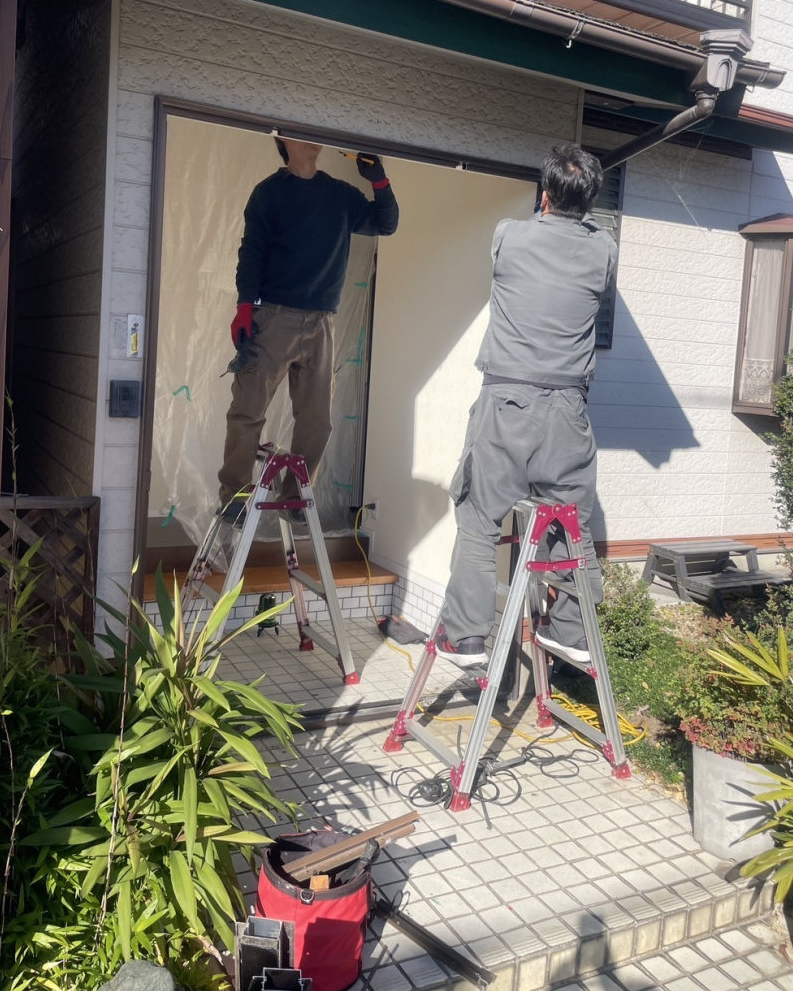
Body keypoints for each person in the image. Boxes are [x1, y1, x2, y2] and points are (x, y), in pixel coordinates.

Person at [437, 144, 616, 668]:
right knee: (568, 522)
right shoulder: (604, 248)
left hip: (507, 402)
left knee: (479, 519)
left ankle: (466, 636)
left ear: (544, 195)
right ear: (590, 201)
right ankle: (574, 633)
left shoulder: (508, 236)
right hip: (569, 410)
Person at [218, 137, 399, 523]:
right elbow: (251, 251)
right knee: (247, 411)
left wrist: (379, 181)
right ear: (282, 140)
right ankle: (234, 495)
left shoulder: (339, 195)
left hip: (321, 321)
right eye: (302, 133)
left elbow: (386, 223)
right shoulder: (269, 193)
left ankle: (296, 496)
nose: (314, 140)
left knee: (318, 420)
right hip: (274, 319)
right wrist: (245, 306)